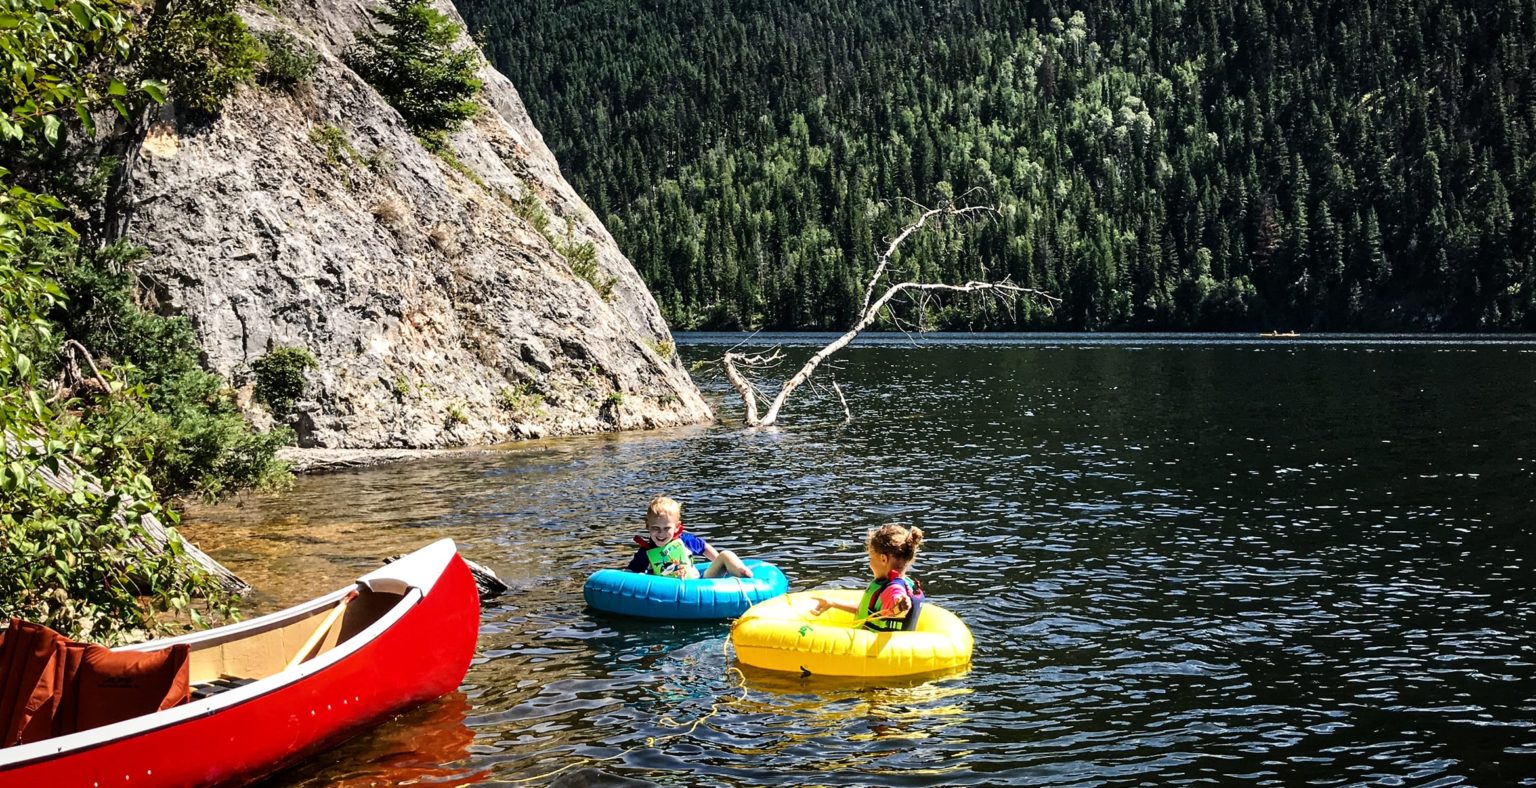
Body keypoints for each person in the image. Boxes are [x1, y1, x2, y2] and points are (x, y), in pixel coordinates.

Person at [811, 523, 925, 630]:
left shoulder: (893, 588)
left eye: (871, 558)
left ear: (883, 559)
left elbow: (896, 602)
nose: (870, 563)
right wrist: (832, 603)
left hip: (869, 650)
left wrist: (900, 604)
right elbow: (866, 611)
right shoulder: (905, 583)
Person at [625, 495, 753, 579]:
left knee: (726, 555)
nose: (661, 534)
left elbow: (704, 547)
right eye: (655, 528)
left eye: (666, 528)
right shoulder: (645, 552)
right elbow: (630, 574)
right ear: (648, 526)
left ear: (676, 527)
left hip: (699, 584)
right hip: (666, 591)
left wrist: (717, 564)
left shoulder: (685, 540)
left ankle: (744, 575)